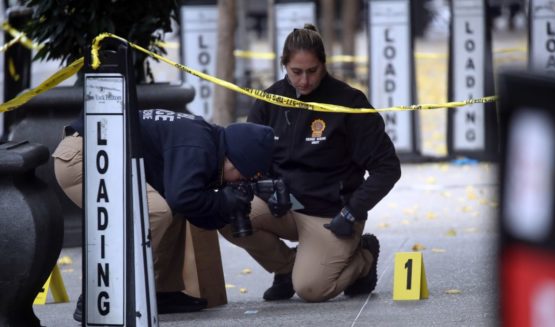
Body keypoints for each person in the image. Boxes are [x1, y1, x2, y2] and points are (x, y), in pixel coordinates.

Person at [219, 24, 401, 302]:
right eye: (296, 72)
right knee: (224, 212)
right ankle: (286, 267)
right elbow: (246, 160)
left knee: (311, 290)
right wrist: (263, 185)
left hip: (332, 214)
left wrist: (353, 211)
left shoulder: (349, 102)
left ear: (324, 64)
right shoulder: (268, 101)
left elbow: (388, 168)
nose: (304, 81)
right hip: (281, 205)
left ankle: (363, 257)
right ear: (284, 65)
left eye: (312, 71)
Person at [52, 108, 274, 320]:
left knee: (171, 208)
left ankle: (161, 292)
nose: (237, 183)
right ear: (233, 159)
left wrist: (226, 209)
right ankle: (100, 293)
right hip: (84, 158)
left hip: (99, 152)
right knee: (154, 211)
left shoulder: (207, 142)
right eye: (242, 177)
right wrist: (223, 200)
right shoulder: (199, 145)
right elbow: (184, 197)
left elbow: (191, 209)